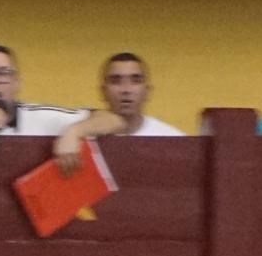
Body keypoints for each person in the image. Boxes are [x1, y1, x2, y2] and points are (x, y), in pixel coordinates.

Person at [53, 52, 181, 174]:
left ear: (148, 91)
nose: (126, 90)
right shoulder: (81, 130)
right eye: (115, 81)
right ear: (103, 91)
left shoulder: (173, 140)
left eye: (136, 81)